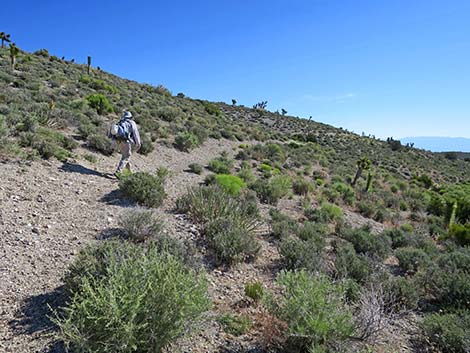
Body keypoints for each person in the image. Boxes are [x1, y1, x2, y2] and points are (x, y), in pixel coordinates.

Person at [114, 111, 141, 175]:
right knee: (126, 157)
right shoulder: (132, 123)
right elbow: (135, 133)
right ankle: (118, 172)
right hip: (126, 141)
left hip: (119, 141)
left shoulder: (120, 122)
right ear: (130, 117)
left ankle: (129, 172)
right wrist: (138, 143)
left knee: (126, 155)